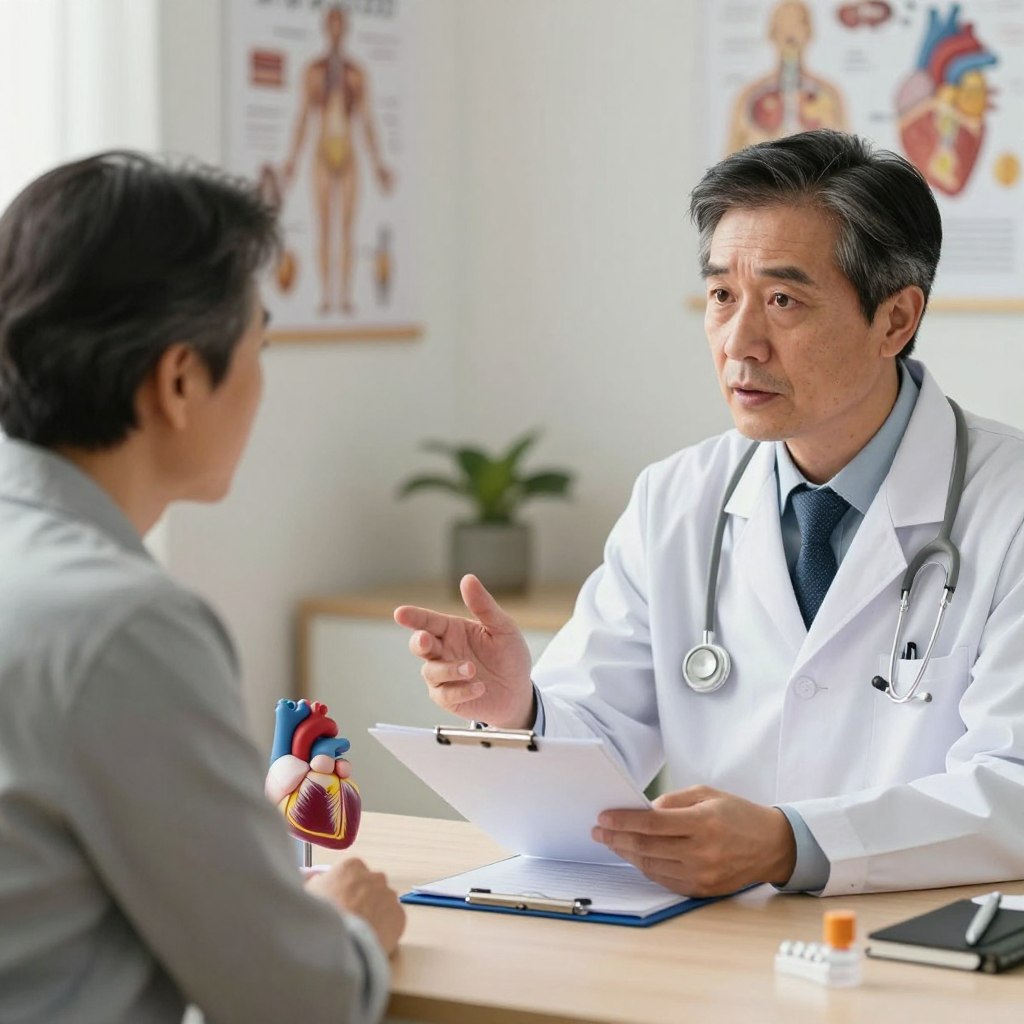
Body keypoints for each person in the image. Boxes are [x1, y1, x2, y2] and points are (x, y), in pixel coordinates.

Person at [395, 129, 1024, 899]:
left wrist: (793, 844)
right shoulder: (677, 497)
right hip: (714, 941)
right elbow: (595, 747)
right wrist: (517, 707)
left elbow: (1012, 789)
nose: (738, 342)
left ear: (895, 320)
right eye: (723, 294)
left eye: (784, 301)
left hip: (922, 953)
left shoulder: (1009, 507)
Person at [0, 153, 404, 1023]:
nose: (262, 381)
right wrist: (348, 931)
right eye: (259, 343)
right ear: (181, 379)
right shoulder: (123, 626)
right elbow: (295, 999)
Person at [282, 3, 394, 315]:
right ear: (325, 28)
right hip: (321, 151)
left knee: (346, 227)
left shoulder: (356, 73)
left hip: (349, 153)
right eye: (330, 24)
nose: (335, 30)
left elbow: (368, 121)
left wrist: (379, 165)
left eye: (339, 24)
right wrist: (291, 160)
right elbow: (303, 117)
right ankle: (324, 297)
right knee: (323, 225)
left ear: (345, 29)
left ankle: (343, 297)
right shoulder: (313, 71)